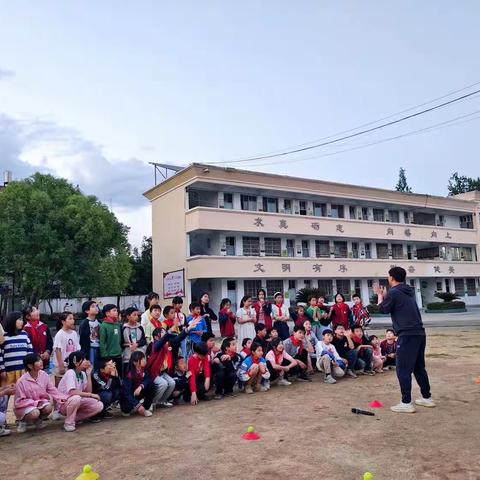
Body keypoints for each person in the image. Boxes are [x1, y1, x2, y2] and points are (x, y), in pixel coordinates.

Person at [375, 267, 435, 413]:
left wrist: (380, 295)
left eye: (389, 277)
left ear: (391, 278)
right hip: (419, 333)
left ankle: (406, 402)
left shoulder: (394, 292)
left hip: (407, 335)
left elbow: (382, 309)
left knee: (403, 369)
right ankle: (426, 397)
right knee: (418, 367)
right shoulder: (408, 291)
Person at [14, 353, 66, 433]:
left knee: (48, 407)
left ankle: (37, 420)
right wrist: (35, 403)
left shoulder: (44, 375)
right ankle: (23, 421)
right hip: (26, 407)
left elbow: (52, 389)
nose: (41, 361)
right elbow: (19, 402)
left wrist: (63, 398)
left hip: (39, 404)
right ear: (30, 366)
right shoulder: (21, 381)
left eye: (40, 359)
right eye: (37, 361)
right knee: (35, 412)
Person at [57, 351, 104, 431]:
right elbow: (72, 392)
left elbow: (88, 390)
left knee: (98, 405)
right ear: (76, 363)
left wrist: (88, 374)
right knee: (76, 398)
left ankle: (74, 418)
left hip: (76, 400)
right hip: (64, 403)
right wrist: (91, 395)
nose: (87, 361)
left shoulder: (82, 373)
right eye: (84, 359)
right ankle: (68, 423)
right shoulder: (70, 372)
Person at [0, 311, 33, 386]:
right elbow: (0, 355)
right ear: (12, 320)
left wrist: (30, 366)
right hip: (8, 372)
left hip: (23, 371)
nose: (22, 322)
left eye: (22, 320)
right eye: (19, 320)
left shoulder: (25, 334)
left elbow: (30, 351)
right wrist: (2, 370)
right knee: (9, 393)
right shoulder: (4, 336)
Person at [120, 350, 155, 417]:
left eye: (144, 358)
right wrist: (138, 405)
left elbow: (147, 379)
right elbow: (127, 393)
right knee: (126, 410)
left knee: (151, 384)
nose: (144, 360)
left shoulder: (143, 368)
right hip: (129, 395)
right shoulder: (129, 374)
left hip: (138, 392)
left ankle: (146, 407)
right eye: (142, 359)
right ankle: (136, 406)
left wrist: (141, 386)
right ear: (135, 362)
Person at [53, 311, 81, 386]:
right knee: (60, 385)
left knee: (71, 384)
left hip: (72, 365)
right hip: (62, 365)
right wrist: (61, 365)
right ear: (63, 321)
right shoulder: (60, 334)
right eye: (70, 319)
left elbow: (77, 349)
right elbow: (57, 350)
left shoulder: (74, 333)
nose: (73, 321)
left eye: (73, 319)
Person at [22, 306, 53, 371]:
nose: (37, 311)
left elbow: (50, 342)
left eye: (37, 309)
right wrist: (37, 355)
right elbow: (27, 347)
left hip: (45, 362)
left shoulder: (44, 326)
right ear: (28, 316)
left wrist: (47, 352)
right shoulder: (25, 329)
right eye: (33, 311)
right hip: (32, 363)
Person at [99, 304, 123, 377]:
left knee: (119, 375)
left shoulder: (117, 324)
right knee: (111, 376)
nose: (116, 312)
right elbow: (102, 342)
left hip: (119, 354)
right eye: (114, 311)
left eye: (117, 311)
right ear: (107, 313)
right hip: (109, 356)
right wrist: (105, 356)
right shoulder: (104, 325)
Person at [121, 307, 146, 373]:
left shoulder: (140, 327)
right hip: (128, 354)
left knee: (140, 372)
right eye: (134, 315)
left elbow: (144, 340)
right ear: (128, 316)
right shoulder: (124, 328)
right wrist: (129, 344)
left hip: (139, 353)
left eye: (137, 315)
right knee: (128, 372)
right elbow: (121, 342)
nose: (137, 317)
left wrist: (137, 344)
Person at [79, 300, 101, 371]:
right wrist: (84, 354)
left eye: (96, 306)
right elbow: (82, 340)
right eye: (93, 306)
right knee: (91, 367)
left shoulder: (100, 322)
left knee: (99, 367)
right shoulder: (84, 324)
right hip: (90, 349)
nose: (96, 308)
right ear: (87, 311)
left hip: (99, 348)